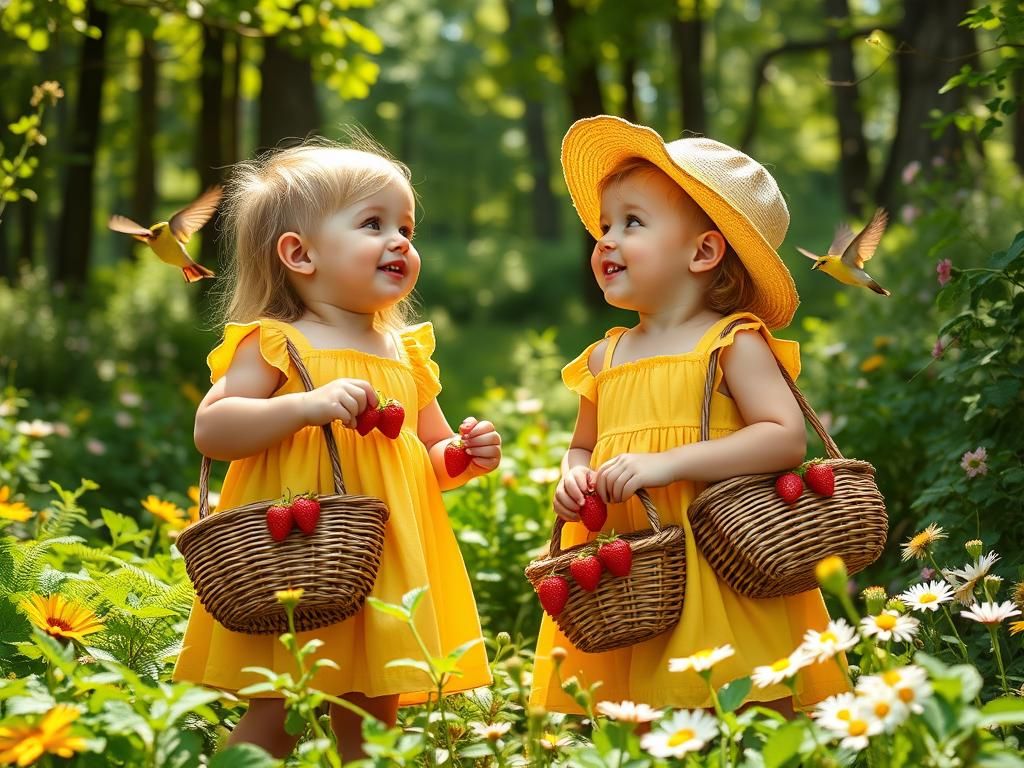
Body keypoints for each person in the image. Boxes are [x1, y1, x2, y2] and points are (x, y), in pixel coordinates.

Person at [173, 136, 501, 759]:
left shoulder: (406, 352)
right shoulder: (275, 342)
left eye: (405, 226)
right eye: (373, 224)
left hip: (386, 559)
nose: (400, 241)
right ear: (300, 254)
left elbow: (430, 459)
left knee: (373, 717)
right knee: (280, 710)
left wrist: (463, 454)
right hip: (296, 552)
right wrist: (304, 405)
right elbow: (212, 429)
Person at [530, 116, 848, 716]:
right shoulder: (606, 355)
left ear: (703, 250)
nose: (605, 240)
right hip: (635, 568)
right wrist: (571, 476)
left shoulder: (731, 343)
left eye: (632, 223)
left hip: (722, 556)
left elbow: (784, 439)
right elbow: (582, 445)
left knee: (743, 703)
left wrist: (667, 463)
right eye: (604, 226)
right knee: (641, 710)